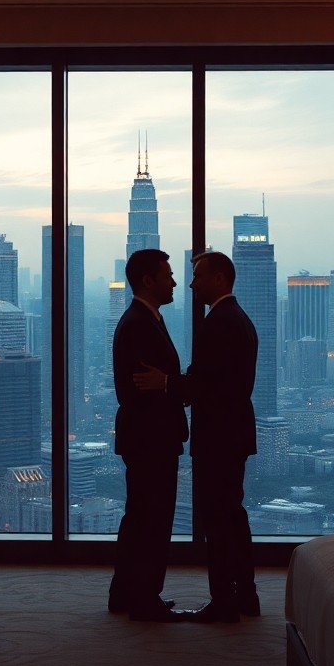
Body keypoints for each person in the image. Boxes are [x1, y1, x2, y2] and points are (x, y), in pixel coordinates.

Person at [134, 251, 258, 623]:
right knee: (232, 516)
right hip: (233, 434)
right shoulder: (237, 318)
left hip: (219, 437)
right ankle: (244, 594)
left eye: (198, 276)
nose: (190, 284)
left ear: (219, 279)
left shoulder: (219, 322)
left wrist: (166, 383)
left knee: (218, 521)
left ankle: (224, 602)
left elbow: (209, 385)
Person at [109, 249, 188, 622]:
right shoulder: (139, 324)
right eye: (167, 275)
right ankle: (144, 598)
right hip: (151, 438)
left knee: (140, 517)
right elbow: (142, 389)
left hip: (147, 437)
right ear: (147, 281)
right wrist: (175, 386)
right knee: (153, 520)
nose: (174, 282)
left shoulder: (146, 319)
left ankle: (126, 593)